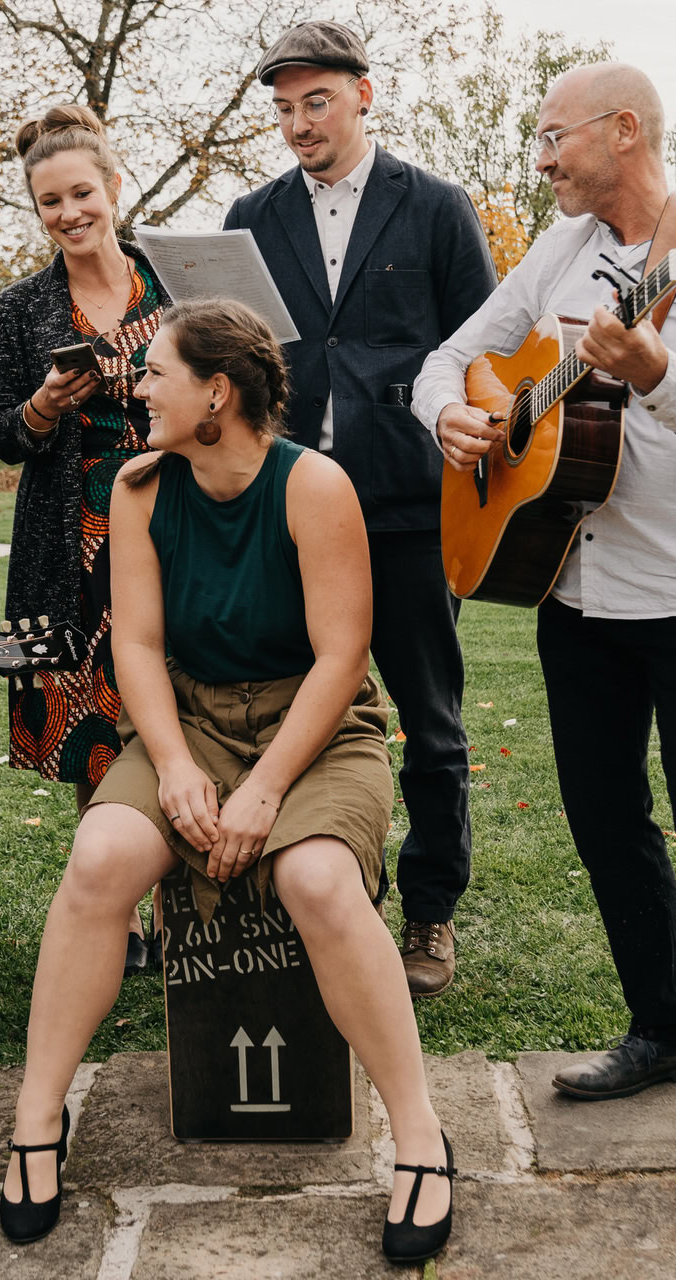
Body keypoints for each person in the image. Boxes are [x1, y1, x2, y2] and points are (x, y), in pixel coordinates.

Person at [0, 300, 455, 1264]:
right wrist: (170, 766)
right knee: (99, 858)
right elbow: (139, 644)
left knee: (318, 880)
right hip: (190, 718)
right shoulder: (138, 487)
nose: (137, 386)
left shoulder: (314, 486)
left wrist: (264, 790)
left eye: (155, 372)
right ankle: (38, 1119)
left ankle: (419, 1133)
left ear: (218, 392)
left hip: (314, 725)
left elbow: (343, 658)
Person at [413, 62, 676, 1183]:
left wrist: (660, 370)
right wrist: (456, 416)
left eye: (553, 138)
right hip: (572, 587)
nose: (540, 160)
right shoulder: (560, 252)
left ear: (624, 131)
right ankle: (669, 1023)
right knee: (603, 816)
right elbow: (449, 358)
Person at [223, 20, 498, 997]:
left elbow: (483, 347)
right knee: (290, 712)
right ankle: (313, 894)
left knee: (431, 719)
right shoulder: (248, 216)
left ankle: (429, 915)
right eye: (286, 107)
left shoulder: (435, 208)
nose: (300, 122)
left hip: (415, 507)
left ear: (364, 94)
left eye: (317, 101)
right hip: (292, 512)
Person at [0, 105, 170, 976]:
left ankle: (186, 895)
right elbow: (5, 438)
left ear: (114, 187)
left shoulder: (172, 283)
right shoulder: (19, 311)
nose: (68, 213)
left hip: (177, 524)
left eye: (82, 193)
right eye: (49, 202)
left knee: (184, 700)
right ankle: (121, 909)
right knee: (99, 720)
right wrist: (43, 408)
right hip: (76, 536)